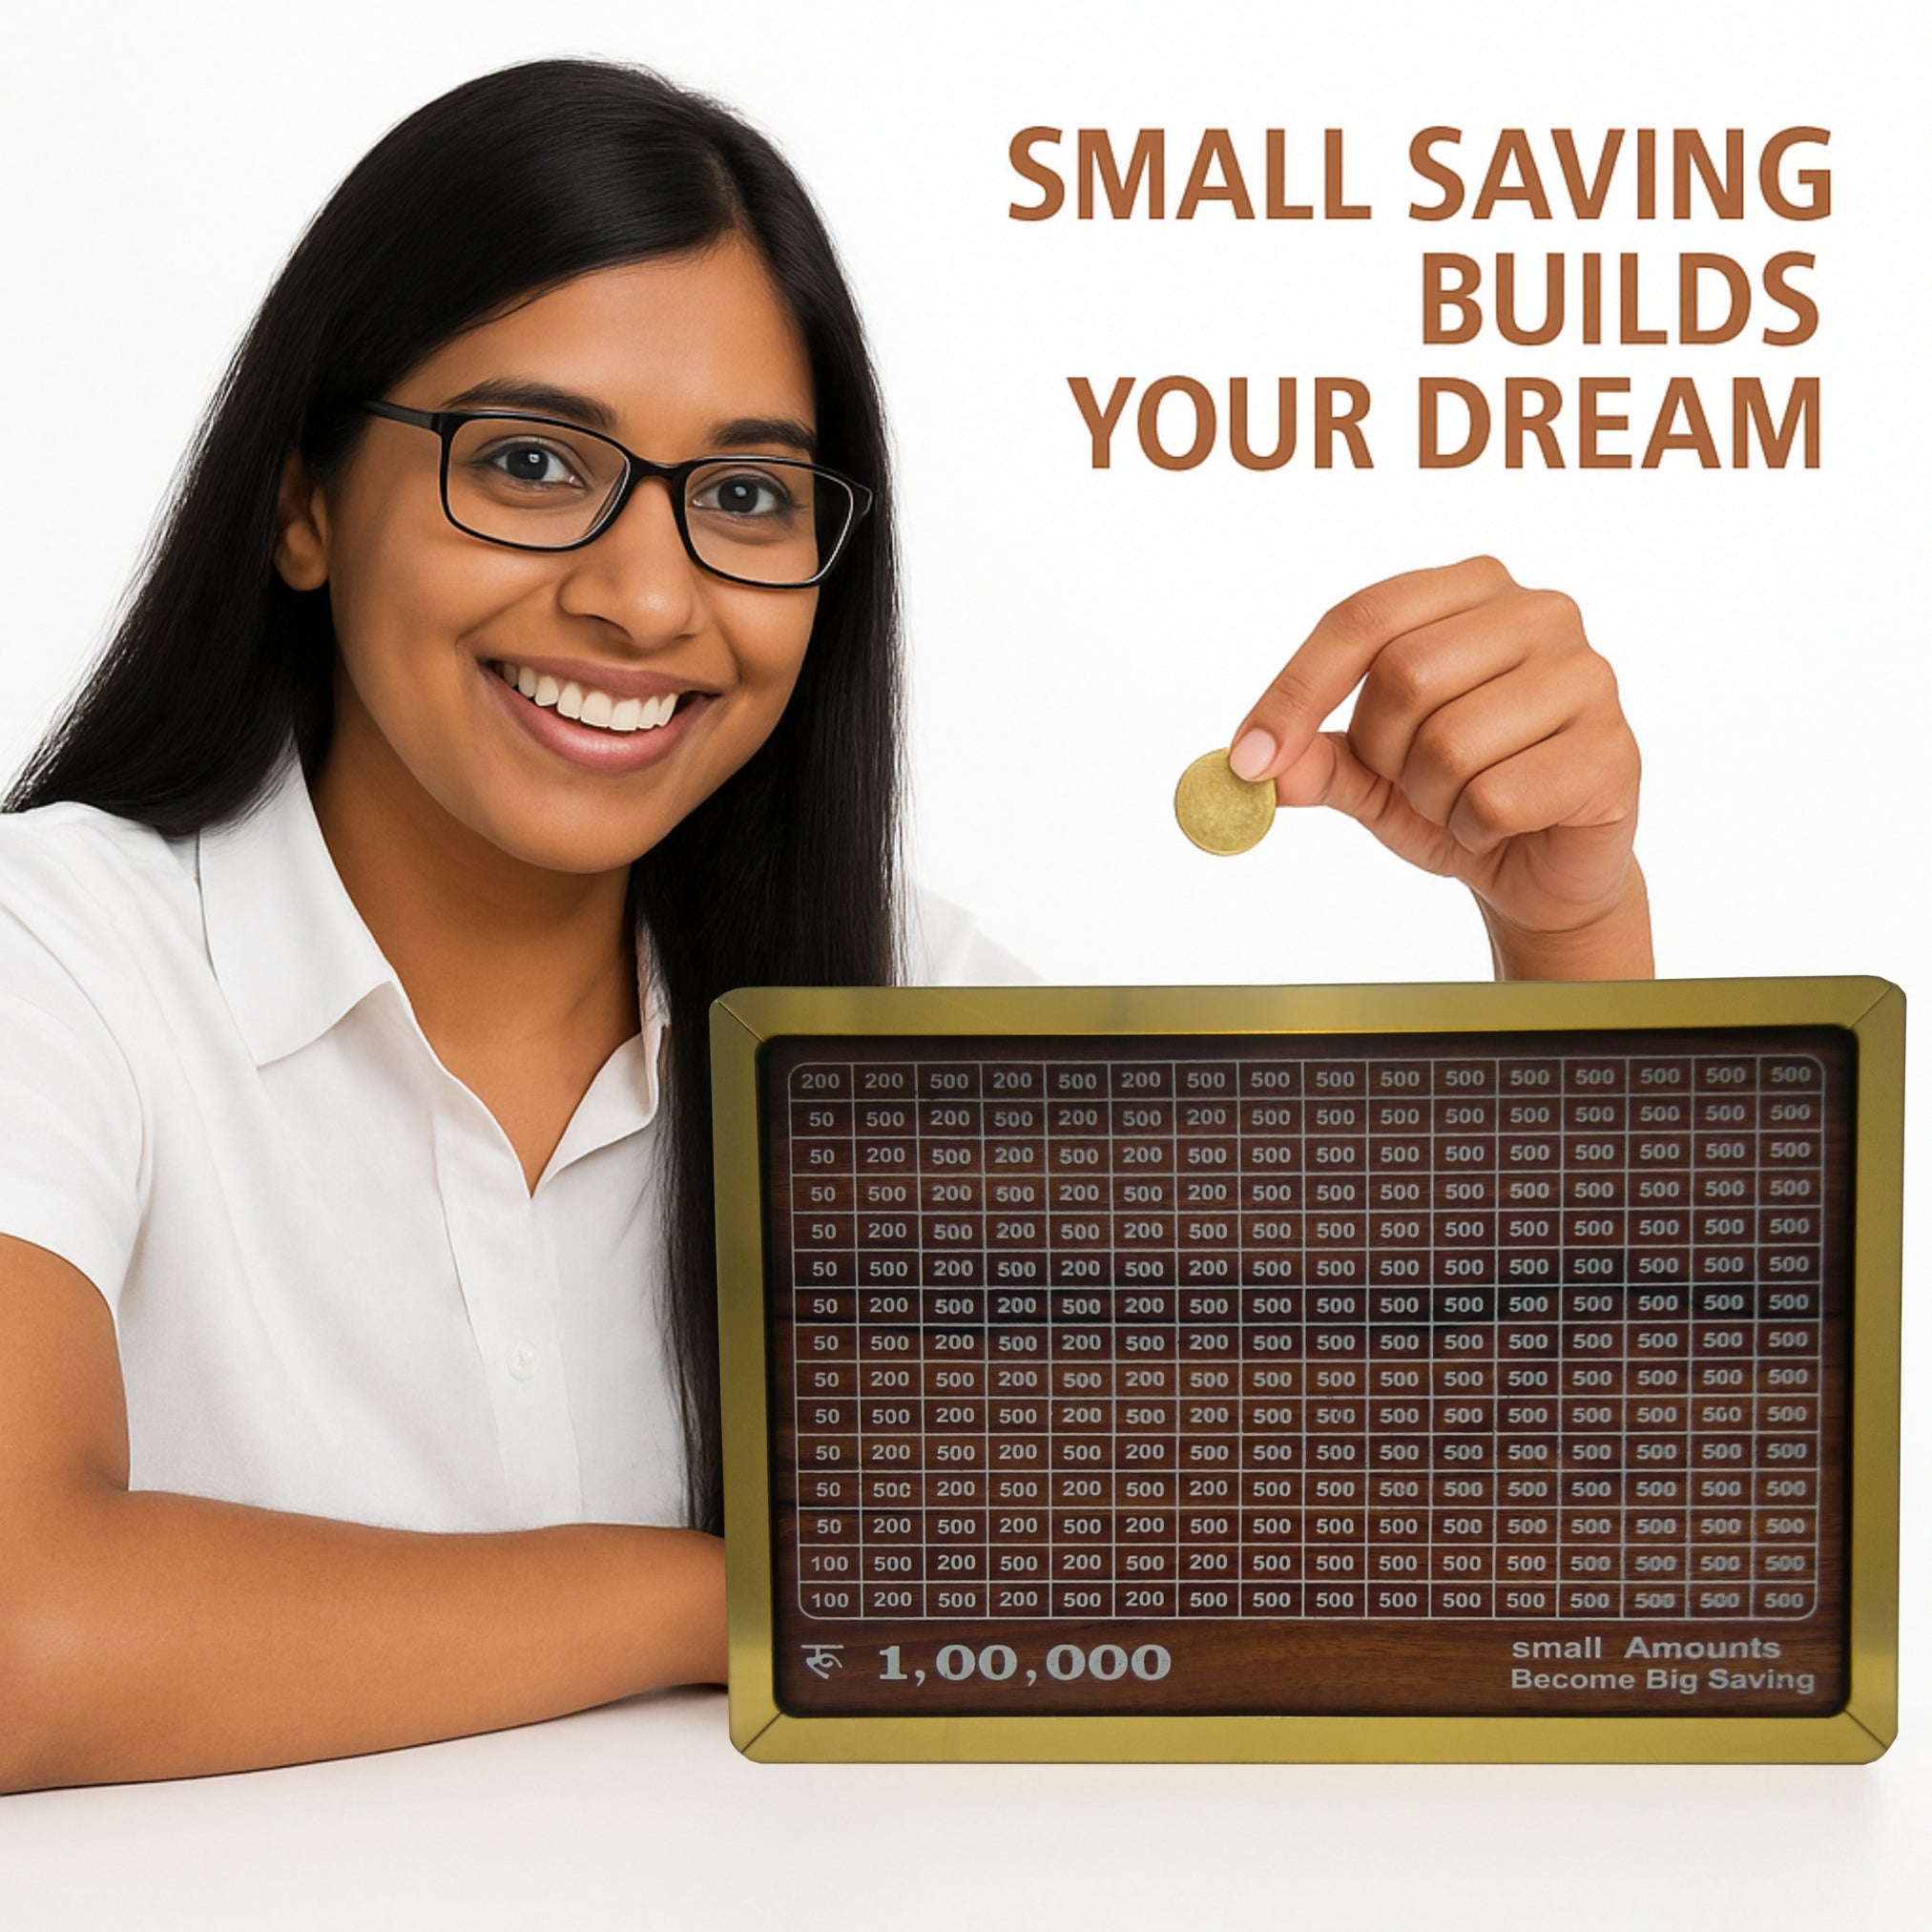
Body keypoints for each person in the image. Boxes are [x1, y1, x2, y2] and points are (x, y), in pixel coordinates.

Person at [0, 57, 1650, 1794]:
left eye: (745, 497)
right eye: (533, 460)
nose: (644, 598)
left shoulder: (907, 1019)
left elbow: (1540, 1565)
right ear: (305, 501)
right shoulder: (60, 958)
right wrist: (766, 1599)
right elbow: (24, 1636)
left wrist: (1569, 927)